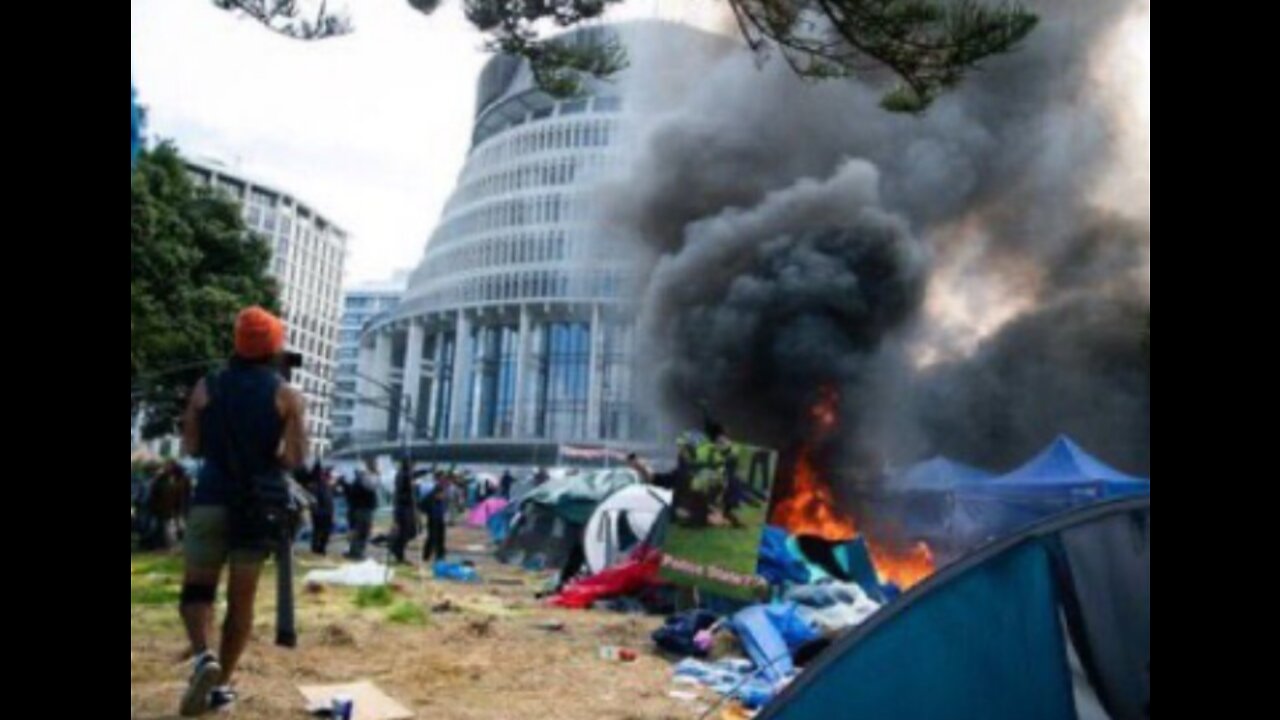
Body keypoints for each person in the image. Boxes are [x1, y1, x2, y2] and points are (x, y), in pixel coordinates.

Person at [177, 307, 308, 717]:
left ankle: (203, 656)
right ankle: (222, 686)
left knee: (197, 590)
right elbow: (294, 458)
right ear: (273, 347)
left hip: (211, 498)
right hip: (257, 508)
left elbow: (192, 447)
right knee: (241, 601)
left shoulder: (207, 386)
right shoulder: (285, 394)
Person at [341, 468, 379, 561]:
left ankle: (354, 551)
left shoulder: (354, 483)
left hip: (356, 510)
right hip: (363, 510)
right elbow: (372, 489)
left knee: (357, 532)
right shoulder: (362, 483)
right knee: (362, 532)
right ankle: (357, 552)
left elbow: (349, 495)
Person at [390, 460, 421, 565]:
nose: (414, 467)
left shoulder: (403, 474)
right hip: (403, 507)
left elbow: (413, 475)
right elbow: (411, 476)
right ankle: (397, 551)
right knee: (408, 530)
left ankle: (398, 550)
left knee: (412, 530)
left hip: (405, 506)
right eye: (413, 465)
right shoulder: (403, 475)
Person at [421, 471, 450, 564]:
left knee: (440, 537)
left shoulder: (440, 487)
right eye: (442, 477)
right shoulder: (435, 488)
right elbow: (435, 498)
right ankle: (427, 556)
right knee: (432, 537)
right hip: (433, 518)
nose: (444, 479)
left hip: (439, 517)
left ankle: (439, 556)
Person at [308, 463, 336, 557]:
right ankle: (317, 549)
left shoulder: (326, 485)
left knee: (325, 532)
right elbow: (313, 500)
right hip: (320, 512)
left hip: (327, 511)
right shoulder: (315, 485)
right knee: (318, 531)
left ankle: (321, 548)